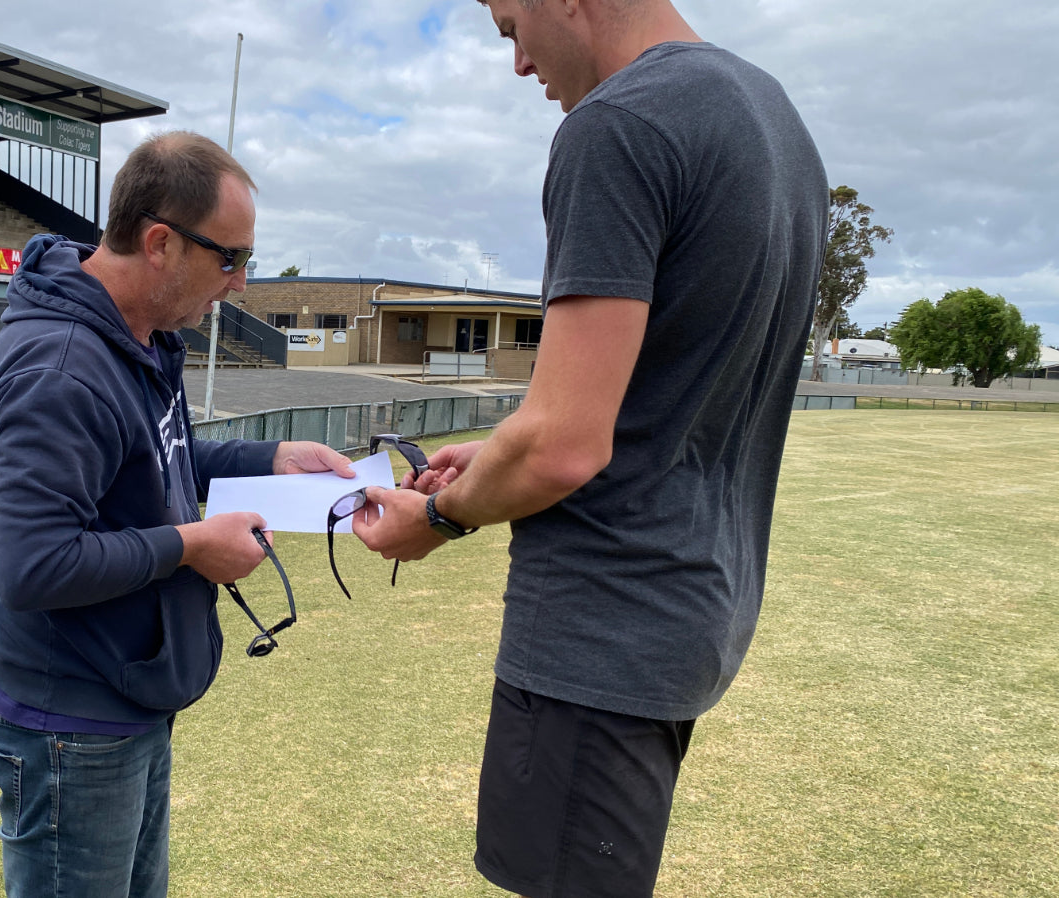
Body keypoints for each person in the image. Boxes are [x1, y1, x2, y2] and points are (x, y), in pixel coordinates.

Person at [352, 2, 828, 895]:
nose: (518, 63)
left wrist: (440, 517)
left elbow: (564, 447)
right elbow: (654, 397)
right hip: (693, 609)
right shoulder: (773, 120)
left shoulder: (617, 124)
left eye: (510, 27)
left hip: (600, 627)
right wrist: (500, 450)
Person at [0, 131, 353, 898]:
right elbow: (34, 566)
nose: (241, 283)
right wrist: (190, 546)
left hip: (125, 698)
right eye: (231, 259)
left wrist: (271, 458)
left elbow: (155, 460)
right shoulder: (62, 369)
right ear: (160, 243)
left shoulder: (138, 334)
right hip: (69, 723)